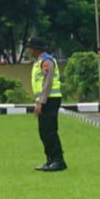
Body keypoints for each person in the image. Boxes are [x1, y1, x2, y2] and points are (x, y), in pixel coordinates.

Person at [27, 37, 65, 171]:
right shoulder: (38, 62)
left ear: (37, 49)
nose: (28, 50)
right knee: (43, 131)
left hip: (50, 99)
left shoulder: (46, 61)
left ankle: (58, 160)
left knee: (49, 131)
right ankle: (50, 159)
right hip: (44, 99)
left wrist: (40, 102)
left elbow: (47, 83)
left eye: (30, 48)